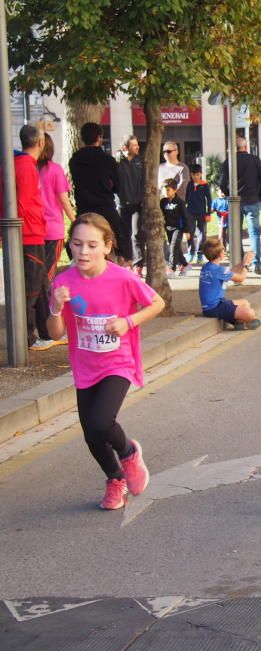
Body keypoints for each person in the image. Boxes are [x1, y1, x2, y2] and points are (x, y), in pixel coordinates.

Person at [47, 213, 166, 510]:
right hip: (85, 365)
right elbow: (55, 333)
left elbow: (157, 303)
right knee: (91, 433)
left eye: (91, 245)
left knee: (101, 422)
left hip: (118, 362)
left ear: (106, 246)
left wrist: (129, 321)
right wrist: (54, 307)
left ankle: (128, 454)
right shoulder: (63, 282)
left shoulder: (122, 277)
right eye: (76, 244)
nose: (83, 251)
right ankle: (115, 479)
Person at [1, 124, 53, 350]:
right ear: (40, 142)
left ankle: (46, 332)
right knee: (31, 288)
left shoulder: (19, 164)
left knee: (40, 286)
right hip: (29, 234)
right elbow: (22, 202)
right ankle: (27, 338)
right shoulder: (24, 165)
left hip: (30, 232)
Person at [69, 123, 128, 265]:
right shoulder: (107, 160)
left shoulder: (75, 160)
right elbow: (117, 187)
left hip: (84, 207)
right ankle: (125, 260)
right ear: (99, 138)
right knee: (121, 234)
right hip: (105, 207)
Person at [219, 136, 261, 274]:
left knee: (236, 234)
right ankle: (256, 263)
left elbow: (222, 183)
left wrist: (229, 194)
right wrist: (260, 196)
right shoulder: (254, 160)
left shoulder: (229, 162)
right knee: (254, 233)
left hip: (236, 202)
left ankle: (241, 263)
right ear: (245, 147)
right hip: (252, 200)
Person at [38, 133, 76, 291]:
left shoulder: (28, 169)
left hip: (32, 229)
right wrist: (75, 220)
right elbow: (64, 199)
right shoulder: (55, 170)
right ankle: (46, 310)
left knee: (35, 273)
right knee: (48, 273)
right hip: (53, 229)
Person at [199, 237, 259, 329]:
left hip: (213, 306)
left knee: (244, 303)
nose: (224, 251)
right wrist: (247, 264)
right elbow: (240, 278)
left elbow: (230, 272)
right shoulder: (218, 270)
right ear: (220, 254)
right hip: (216, 308)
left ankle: (239, 322)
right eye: (223, 249)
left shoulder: (207, 267)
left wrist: (243, 262)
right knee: (250, 313)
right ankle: (241, 321)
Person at [117, 136, 144, 265]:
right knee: (124, 234)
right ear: (125, 148)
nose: (137, 147)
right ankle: (127, 260)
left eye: (137, 144)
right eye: (134, 145)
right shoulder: (117, 162)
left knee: (136, 234)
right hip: (122, 204)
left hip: (137, 204)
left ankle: (138, 263)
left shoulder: (141, 161)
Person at [160, 178, 191, 276]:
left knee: (173, 247)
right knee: (176, 248)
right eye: (164, 189)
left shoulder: (180, 203)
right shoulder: (162, 202)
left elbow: (186, 217)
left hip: (178, 229)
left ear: (175, 190)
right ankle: (185, 264)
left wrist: (187, 231)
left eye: (168, 190)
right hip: (168, 229)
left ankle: (171, 268)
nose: (166, 192)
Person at [185, 165, 212, 263]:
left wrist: (208, 213)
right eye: (193, 175)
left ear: (201, 174)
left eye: (198, 174)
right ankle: (191, 253)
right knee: (190, 233)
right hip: (190, 213)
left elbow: (209, 200)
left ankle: (200, 253)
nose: (196, 177)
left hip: (201, 213)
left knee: (202, 234)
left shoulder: (204, 185)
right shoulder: (189, 184)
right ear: (191, 175)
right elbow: (186, 198)